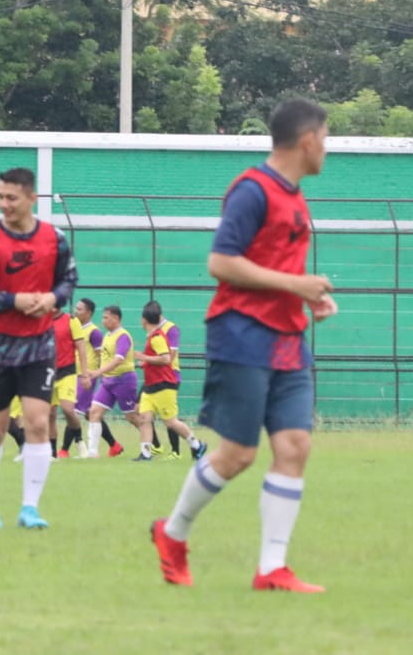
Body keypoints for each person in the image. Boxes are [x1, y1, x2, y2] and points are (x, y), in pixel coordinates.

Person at [151, 98, 336, 594]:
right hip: (242, 332)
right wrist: (295, 285)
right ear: (307, 140)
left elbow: (277, 270)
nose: (328, 148)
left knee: (295, 446)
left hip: (287, 337)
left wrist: (309, 297)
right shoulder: (252, 190)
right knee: (237, 455)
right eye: (326, 137)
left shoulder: (296, 198)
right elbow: (221, 263)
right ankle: (173, 534)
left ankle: (272, 568)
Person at [0, 167, 77, 530]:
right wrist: (14, 300)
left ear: (31, 199)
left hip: (39, 344)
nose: (3, 204)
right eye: (0, 197)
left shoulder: (54, 238)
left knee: (39, 422)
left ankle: (30, 508)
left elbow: (68, 280)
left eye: (11, 198)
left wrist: (54, 298)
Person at [134, 301, 206, 462]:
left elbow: (166, 358)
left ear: (144, 320)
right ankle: (145, 454)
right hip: (151, 386)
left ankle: (196, 444)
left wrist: (143, 357)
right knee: (144, 418)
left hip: (164, 385)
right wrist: (146, 362)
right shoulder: (152, 336)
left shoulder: (158, 337)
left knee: (171, 421)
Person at [85, 305, 143, 458]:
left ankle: (152, 445)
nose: (103, 321)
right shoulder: (108, 335)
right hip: (108, 382)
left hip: (123, 381)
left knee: (132, 417)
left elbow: (118, 360)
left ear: (116, 318)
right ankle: (92, 453)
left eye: (106, 317)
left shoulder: (123, 336)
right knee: (94, 412)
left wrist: (97, 372)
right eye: (103, 317)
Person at [68, 298, 120, 458]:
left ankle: (63, 450)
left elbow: (101, 356)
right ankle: (114, 445)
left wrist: (98, 375)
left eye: (80, 309)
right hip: (74, 375)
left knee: (72, 411)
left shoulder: (94, 332)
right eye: (76, 308)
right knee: (90, 413)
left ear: (89, 313)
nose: (76, 311)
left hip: (87, 377)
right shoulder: (75, 328)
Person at [50, 308, 86, 459]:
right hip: (48, 373)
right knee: (49, 414)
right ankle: (52, 454)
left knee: (67, 409)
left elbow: (82, 349)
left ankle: (79, 439)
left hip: (67, 372)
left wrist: (85, 375)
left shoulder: (71, 320)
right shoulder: (41, 320)